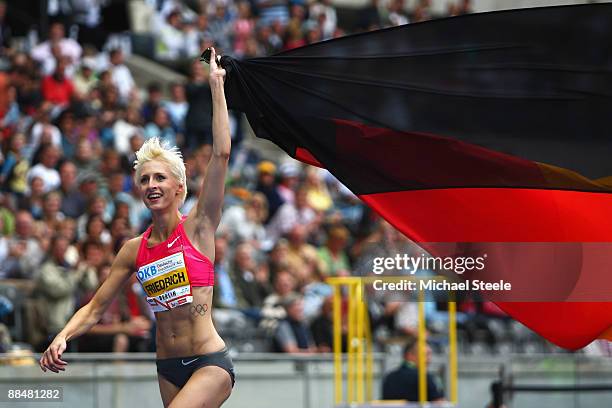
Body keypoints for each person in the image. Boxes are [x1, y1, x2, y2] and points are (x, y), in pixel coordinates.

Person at [39, 48, 235, 408]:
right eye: (144, 179)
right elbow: (96, 307)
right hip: (166, 366)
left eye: (159, 177)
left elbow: (221, 153)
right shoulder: (133, 249)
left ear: (179, 188)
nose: (151, 184)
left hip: (210, 362)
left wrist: (216, 86)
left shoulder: (199, 227)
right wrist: (62, 335)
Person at [382, 338, 445, 402]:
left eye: (430, 355)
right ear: (409, 355)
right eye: (426, 355)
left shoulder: (389, 377)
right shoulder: (424, 376)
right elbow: (439, 403)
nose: (429, 359)